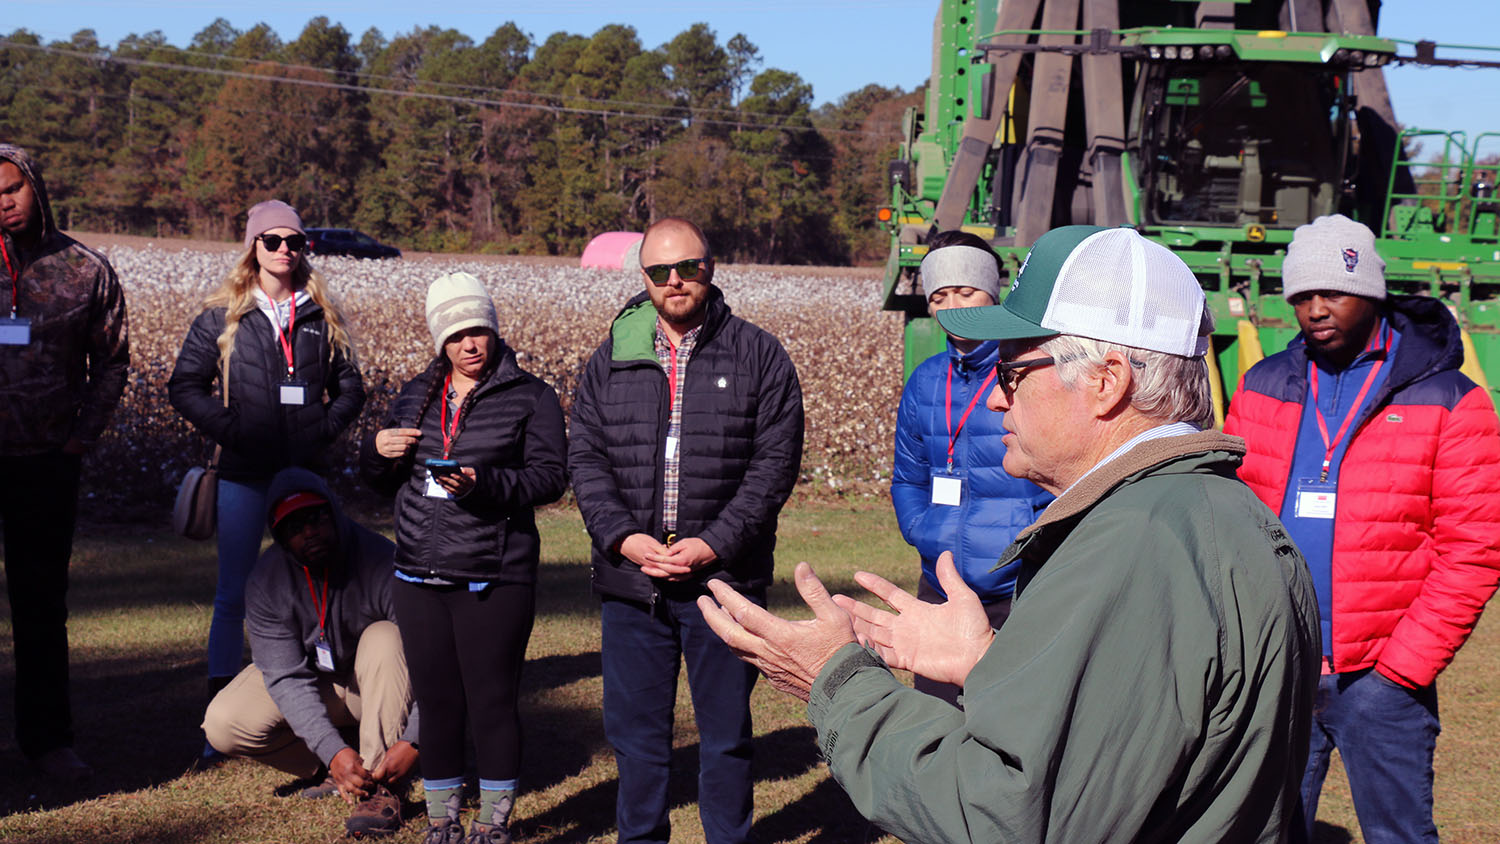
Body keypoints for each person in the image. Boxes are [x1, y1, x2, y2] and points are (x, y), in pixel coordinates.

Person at [698, 225, 1322, 844]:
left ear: (1106, 382)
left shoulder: (1134, 546)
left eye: (1015, 373)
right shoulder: (1223, 514)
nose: (997, 399)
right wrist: (996, 664)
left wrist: (834, 682)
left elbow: (1003, 816)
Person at [1223, 214, 1500, 844]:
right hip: (1280, 668)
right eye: (1303, 296)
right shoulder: (1262, 387)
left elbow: (1475, 550)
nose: (1317, 309)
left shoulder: (1450, 399)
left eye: (1334, 293)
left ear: (1372, 294)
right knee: (1266, 832)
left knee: (1398, 834)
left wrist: (1401, 671)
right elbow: (1230, 520)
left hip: (1383, 680)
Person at [568, 217, 803, 844]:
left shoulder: (759, 355)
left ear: (712, 268)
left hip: (722, 585)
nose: (675, 281)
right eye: (659, 272)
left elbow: (773, 466)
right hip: (632, 586)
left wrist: (714, 544)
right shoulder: (611, 359)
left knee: (725, 739)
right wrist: (620, 536)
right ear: (643, 277)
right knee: (637, 742)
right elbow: (585, 458)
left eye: (688, 268)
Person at [360, 271, 567, 844]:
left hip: (493, 574)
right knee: (438, 701)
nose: (469, 344)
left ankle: (493, 823)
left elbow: (551, 478)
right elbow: (380, 481)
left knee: (492, 700)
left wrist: (484, 484)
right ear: (439, 341)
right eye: (455, 335)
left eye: (478, 330)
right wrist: (373, 452)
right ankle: (442, 819)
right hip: (417, 575)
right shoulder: (413, 394)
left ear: (495, 330)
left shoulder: (532, 396)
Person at [168, 199, 365, 763]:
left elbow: (352, 387)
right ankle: (217, 716)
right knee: (233, 593)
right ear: (253, 246)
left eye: (294, 241)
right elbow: (185, 385)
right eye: (272, 240)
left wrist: (322, 429)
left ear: (305, 249)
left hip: (305, 474)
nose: (284, 250)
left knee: (320, 584)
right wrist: (232, 429)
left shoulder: (321, 315)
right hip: (245, 472)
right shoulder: (223, 314)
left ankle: (324, 701)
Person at [0, 143, 129, 782]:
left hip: (47, 463)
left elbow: (112, 361)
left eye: (12, 188)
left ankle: (48, 739)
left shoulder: (84, 270)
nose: (4, 201)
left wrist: (82, 436)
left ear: (36, 187)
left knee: (41, 605)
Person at [203, 468, 418, 839]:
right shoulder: (266, 580)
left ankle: (381, 787)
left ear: (334, 512)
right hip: (321, 686)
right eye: (293, 526)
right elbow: (286, 677)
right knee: (223, 722)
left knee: (385, 637)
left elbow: (433, 654)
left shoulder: (381, 560)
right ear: (279, 535)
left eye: (316, 518)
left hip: (383, 687)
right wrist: (331, 751)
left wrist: (417, 738)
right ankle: (340, 770)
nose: (309, 532)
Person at [892, 231, 1051, 703]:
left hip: (1015, 590)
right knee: (937, 721)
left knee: (1007, 720)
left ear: (992, 294)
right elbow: (908, 475)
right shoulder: (924, 382)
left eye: (966, 291)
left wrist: (1028, 539)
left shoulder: (1029, 373)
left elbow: (1058, 476)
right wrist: (924, 531)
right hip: (939, 585)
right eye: (941, 295)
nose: (954, 305)